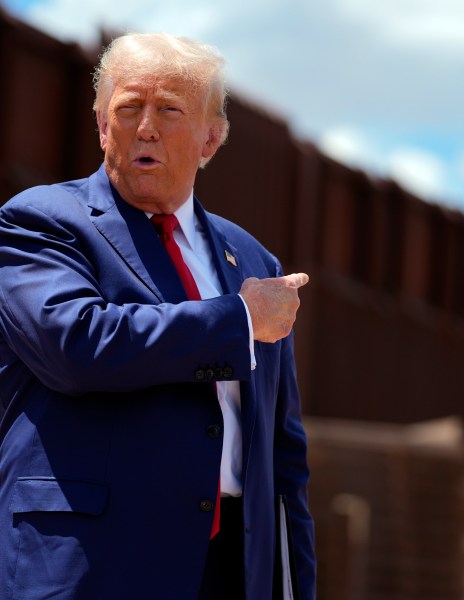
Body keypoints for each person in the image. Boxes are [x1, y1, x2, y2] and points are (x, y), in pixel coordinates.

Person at [0, 32, 316, 600]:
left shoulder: (252, 259)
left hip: (232, 570)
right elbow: (78, 346)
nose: (145, 127)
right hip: (91, 564)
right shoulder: (40, 221)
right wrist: (239, 321)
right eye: (127, 108)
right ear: (101, 125)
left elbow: (283, 453)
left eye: (169, 109)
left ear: (210, 139)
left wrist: (296, 583)